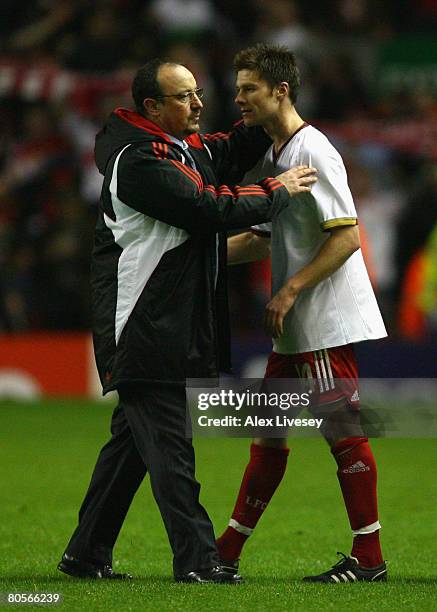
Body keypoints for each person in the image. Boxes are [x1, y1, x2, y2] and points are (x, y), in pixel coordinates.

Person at [57, 58, 317, 584]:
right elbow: (204, 206)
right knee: (172, 449)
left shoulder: (177, 148)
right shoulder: (138, 162)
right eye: (184, 97)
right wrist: (278, 189)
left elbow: (225, 150)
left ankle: (85, 553)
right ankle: (198, 560)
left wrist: (268, 109)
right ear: (152, 107)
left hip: (165, 321)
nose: (198, 104)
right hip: (142, 325)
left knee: (132, 446)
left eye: (198, 93)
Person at [216, 44, 388, 583]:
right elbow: (264, 238)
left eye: (248, 88)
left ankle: (369, 559)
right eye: (239, 88)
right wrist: (191, 257)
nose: (238, 98)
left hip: (319, 322)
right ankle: (225, 552)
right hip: (294, 326)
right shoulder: (277, 156)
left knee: (344, 435)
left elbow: (347, 237)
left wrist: (289, 291)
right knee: (268, 433)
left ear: (280, 90)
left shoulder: (314, 151)